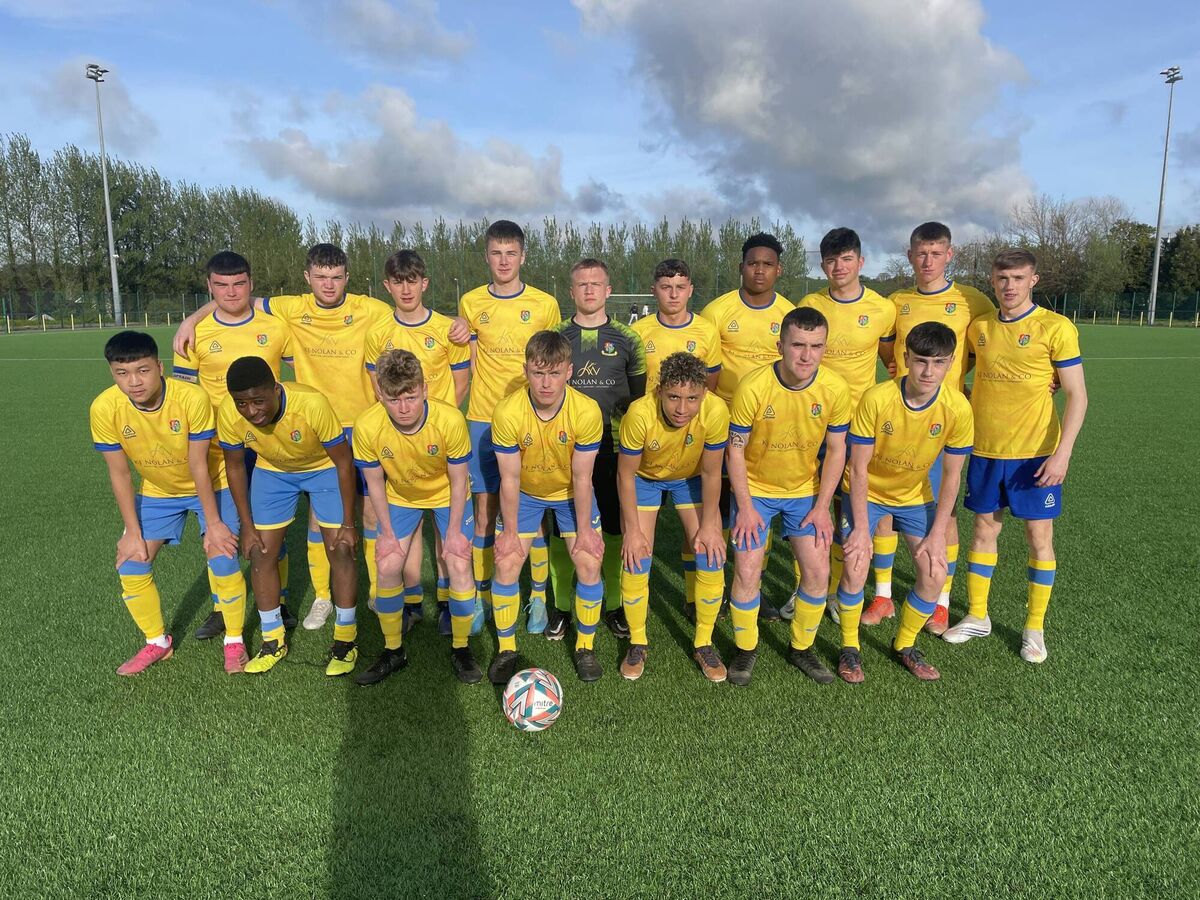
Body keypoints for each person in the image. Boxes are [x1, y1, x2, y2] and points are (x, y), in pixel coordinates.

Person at [174, 244, 392, 630]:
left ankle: (376, 594)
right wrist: (193, 317)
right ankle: (316, 597)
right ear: (307, 278)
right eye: (321, 277)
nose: (329, 284)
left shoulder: (369, 308)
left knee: (367, 512)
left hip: (356, 423)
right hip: (275, 428)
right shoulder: (291, 308)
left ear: (348, 277)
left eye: (337, 276)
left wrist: (458, 324)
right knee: (280, 520)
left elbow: (409, 314)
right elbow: (237, 298)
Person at [943, 248, 1088, 663]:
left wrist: (1063, 455)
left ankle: (1034, 628)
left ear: (1034, 281)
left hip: (1036, 454)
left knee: (1038, 538)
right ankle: (977, 615)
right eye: (1003, 279)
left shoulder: (1055, 328)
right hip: (986, 450)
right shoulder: (979, 327)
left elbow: (1077, 395)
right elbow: (957, 374)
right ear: (993, 279)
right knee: (984, 532)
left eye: (1019, 279)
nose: (1009, 287)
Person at [90, 331, 244, 675]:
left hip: (211, 484)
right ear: (112, 373)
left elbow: (198, 465)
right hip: (158, 492)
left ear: (160, 367)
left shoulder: (191, 398)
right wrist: (132, 531)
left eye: (143, 371)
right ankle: (157, 643)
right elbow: (119, 474)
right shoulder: (104, 407)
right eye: (122, 373)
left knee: (221, 555)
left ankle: (234, 641)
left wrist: (214, 523)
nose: (134, 382)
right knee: (131, 562)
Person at [867, 222, 994, 633]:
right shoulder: (896, 302)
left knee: (945, 510)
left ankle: (940, 602)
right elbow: (889, 353)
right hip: (898, 420)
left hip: (944, 423)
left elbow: (991, 345)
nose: (927, 261)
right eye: (921, 253)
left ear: (949, 255)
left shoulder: (972, 301)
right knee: (884, 506)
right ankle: (883, 595)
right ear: (909, 256)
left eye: (936, 253)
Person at [837, 322, 974, 683]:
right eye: (921, 362)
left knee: (934, 571)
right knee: (855, 564)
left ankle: (905, 645)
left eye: (939, 363)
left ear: (951, 363)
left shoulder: (957, 407)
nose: (929, 372)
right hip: (867, 493)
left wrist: (938, 533)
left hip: (916, 497)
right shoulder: (876, 399)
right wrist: (862, 529)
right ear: (905, 359)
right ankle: (850, 648)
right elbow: (859, 467)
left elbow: (952, 476)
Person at [172, 250, 295, 641]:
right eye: (221, 285)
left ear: (251, 283)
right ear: (209, 287)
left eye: (238, 283)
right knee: (220, 527)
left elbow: (298, 377)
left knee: (269, 525)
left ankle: (281, 599)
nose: (230, 291)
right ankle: (222, 607)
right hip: (218, 445)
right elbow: (184, 393)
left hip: (268, 440)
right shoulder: (195, 334)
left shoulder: (275, 327)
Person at [725, 307, 851, 686]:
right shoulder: (753, 386)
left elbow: (837, 449)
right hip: (756, 491)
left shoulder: (835, 389)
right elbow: (735, 450)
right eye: (798, 345)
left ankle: (801, 647)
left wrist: (824, 505)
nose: (806, 355)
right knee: (747, 569)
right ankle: (746, 649)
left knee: (817, 572)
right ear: (780, 344)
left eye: (816, 346)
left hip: (805, 492)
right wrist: (745, 508)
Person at [450, 221, 561, 636]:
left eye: (510, 253)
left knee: (533, 509)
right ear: (486, 256)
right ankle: (480, 597)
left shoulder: (545, 304)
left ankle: (536, 596)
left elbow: (548, 360)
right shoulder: (471, 301)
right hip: (482, 417)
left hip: (532, 418)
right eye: (496, 253)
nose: (503, 261)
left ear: (523, 256)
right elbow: (467, 355)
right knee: (485, 512)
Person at [217, 356, 359, 675]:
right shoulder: (229, 413)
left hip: (323, 469)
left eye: (258, 400)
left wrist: (349, 523)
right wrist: (248, 526)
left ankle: (346, 640)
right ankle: (273, 640)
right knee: (260, 552)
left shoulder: (311, 404)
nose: (251, 411)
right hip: (274, 472)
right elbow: (236, 466)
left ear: (276, 389)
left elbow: (343, 462)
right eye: (242, 403)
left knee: (341, 549)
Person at [352, 349, 481, 685]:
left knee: (456, 559)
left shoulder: (450, 419)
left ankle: (461, 648)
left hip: (447, 495)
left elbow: (457, 480)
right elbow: (374, 482)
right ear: (380, 393)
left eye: (411, 396)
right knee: (388, 562)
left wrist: (453, 532)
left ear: (425, 388)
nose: (404, 408)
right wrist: (387, 534)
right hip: (400, 496)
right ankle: (394, 650)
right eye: (394, 399)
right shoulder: (368, 426)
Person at [488, 331, 605, 684]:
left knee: (588, 560)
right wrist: (508, 533)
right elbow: (508, 479)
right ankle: (506, 650)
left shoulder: (586, 411)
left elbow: (583, 478)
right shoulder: (508, 412)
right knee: (507, 561)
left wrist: (585, 531)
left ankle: (585, 647)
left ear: (569, 371)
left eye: (554, 373)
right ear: (526, 370)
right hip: (524, 492)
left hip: (570, 493)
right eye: (539, 373)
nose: (546, 383)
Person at [365, 249, 471, 636]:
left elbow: (461, 380)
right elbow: (377, 388)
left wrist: (437, 424)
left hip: (439, 438)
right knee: (406, 535)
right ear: (388, 285)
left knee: (448, 532)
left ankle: (446, 604)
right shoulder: (378, 333)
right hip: (398, 438)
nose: (406, 289)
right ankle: (410, 604)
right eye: (398, 281)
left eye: (413, 281)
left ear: (424, 283)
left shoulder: (447, 328)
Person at [796, 228, 897, 622]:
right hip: (810, 422)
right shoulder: (810, 303)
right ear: (823, 266)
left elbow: (889, 360)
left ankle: (842, 590)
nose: (839, 267)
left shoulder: (882, 309)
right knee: (806, 506)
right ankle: (805, 587)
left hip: (857, 427)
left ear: (861, 261)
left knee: (850, 509)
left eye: (846, 259)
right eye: (831, 261)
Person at [546, 258, 646, 642]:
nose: (589, 290)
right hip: (563, 449)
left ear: (608, 290)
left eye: (596, 284)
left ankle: (614, 604)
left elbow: (637, 400)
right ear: (571, 292)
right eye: (581, 284)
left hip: (615, 447)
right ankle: (561, 607)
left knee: (614, 528)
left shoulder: (627, 339)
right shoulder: (557, 336)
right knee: (563, 529)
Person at [700, 232, 797, 619]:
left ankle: (751, 585)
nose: (760, 270)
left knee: (761, 505)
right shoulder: (717, 311)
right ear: (741, 267)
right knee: (723, 505)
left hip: (774, 428)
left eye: (767, 264)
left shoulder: (788, 314)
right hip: (725, 425)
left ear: (779, 269)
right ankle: (719, 585)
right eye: (753, 263)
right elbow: (708, 373)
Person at [616, 352, 728, 681]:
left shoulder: (716, 411)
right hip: (645, 480)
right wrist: (633, 531)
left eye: (692, 398)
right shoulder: (639, 414)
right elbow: (625, 476)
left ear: (704, 393)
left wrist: (710, 527)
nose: (682, 408)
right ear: (660, 390)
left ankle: (704, 643)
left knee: (710, 550)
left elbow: (711, 474)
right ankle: (637, 641)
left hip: (691, 477)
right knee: (637, 554)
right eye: (674, 397)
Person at [632, 258, 723, 619]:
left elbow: (708, 389)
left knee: (697, 533)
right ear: (654, 289)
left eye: (680, 287)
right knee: (638, 543)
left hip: (691, 446)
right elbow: (637, 387)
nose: (673, 294)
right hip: (651, 443)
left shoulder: (706, 331)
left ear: (690, 291)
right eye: (666, 287)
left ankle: (690, 596)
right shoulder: (639, 331)